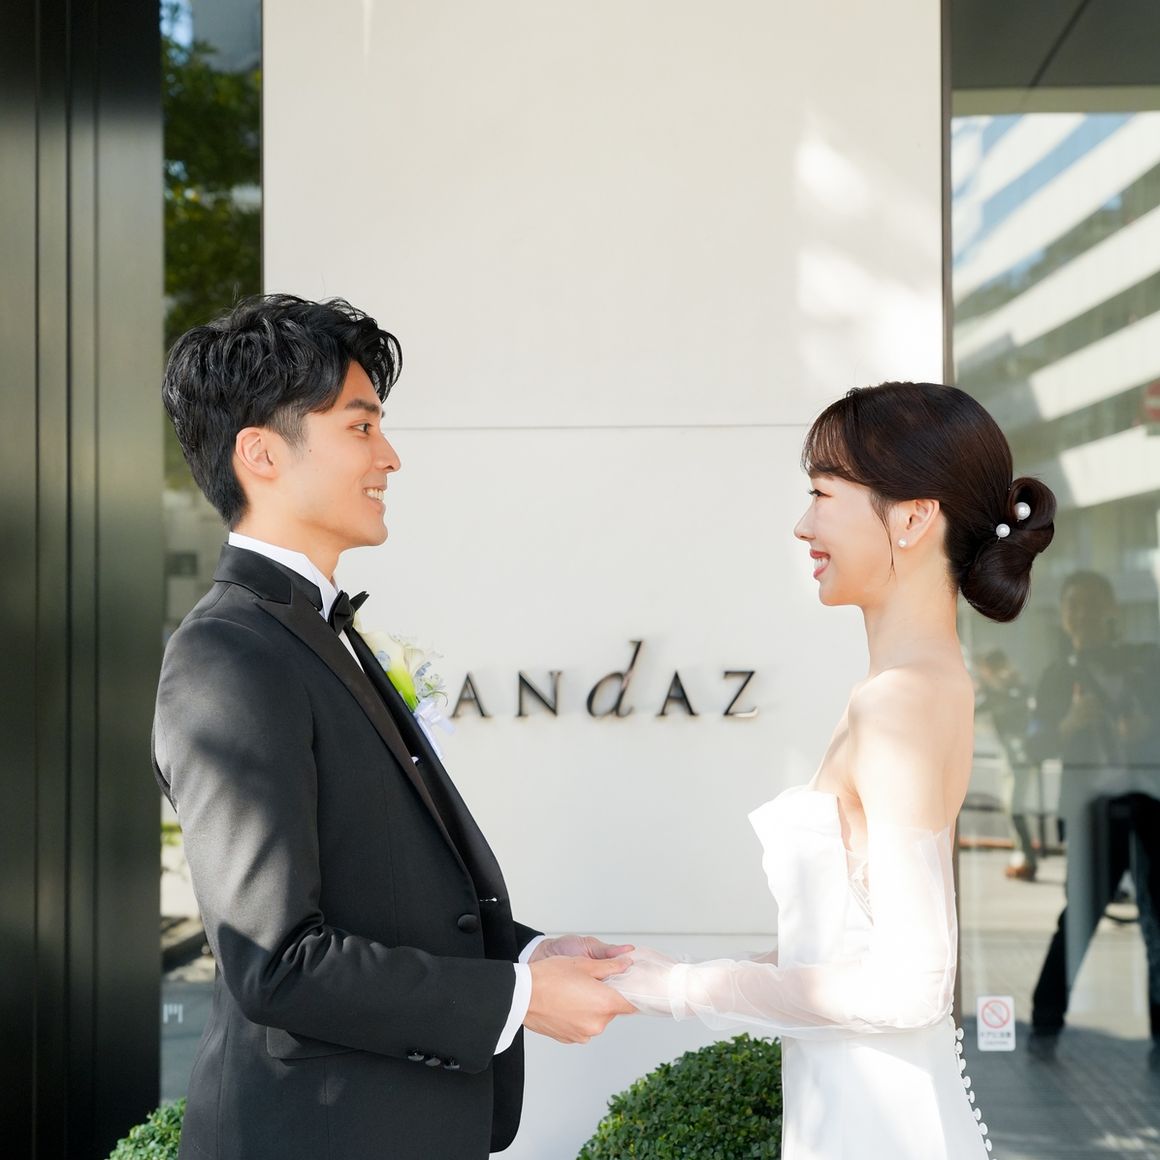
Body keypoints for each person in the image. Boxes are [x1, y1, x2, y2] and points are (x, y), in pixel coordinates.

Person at [154, 294, 634, 1160]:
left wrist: (525, 958)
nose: (390, 456)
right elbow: (275, 960)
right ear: (260, 454)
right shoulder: (228, 653)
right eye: (360, 426)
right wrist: (519, 1001)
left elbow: (377, 894)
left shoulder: (310, 630)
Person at [609, 382, 1056, 1159]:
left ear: (912, 518)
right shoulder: (917, 688)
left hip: (876, 1127)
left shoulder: (901, 701)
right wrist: (667, 975)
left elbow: (910, 983)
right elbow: (843, 950)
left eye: (822, 493)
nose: (803, 524)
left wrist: (680, 990)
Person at [1025, 570, 1160, 1065]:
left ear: (1110, 610)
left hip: (1150, 807)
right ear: (1063, 616)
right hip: (1092, 814)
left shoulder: (1145, 663)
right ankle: (1044, 1025)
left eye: (1090, 604)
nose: (1081, 614)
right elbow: (1034, 745)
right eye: (1073, 605)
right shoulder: (1057, 676)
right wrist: (1068, 725)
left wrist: (1148, 728)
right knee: (1078, 918)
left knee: (1158, 923)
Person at [973, 648, 1039, 880]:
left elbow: (1015, 703)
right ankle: (1023, 856)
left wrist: (993, 689)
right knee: (1010, 805)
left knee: (1014, 806)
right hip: (1010, 756)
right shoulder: (998, 689)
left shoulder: (1012, 685)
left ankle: (1026, 857)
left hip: (1019, 756)